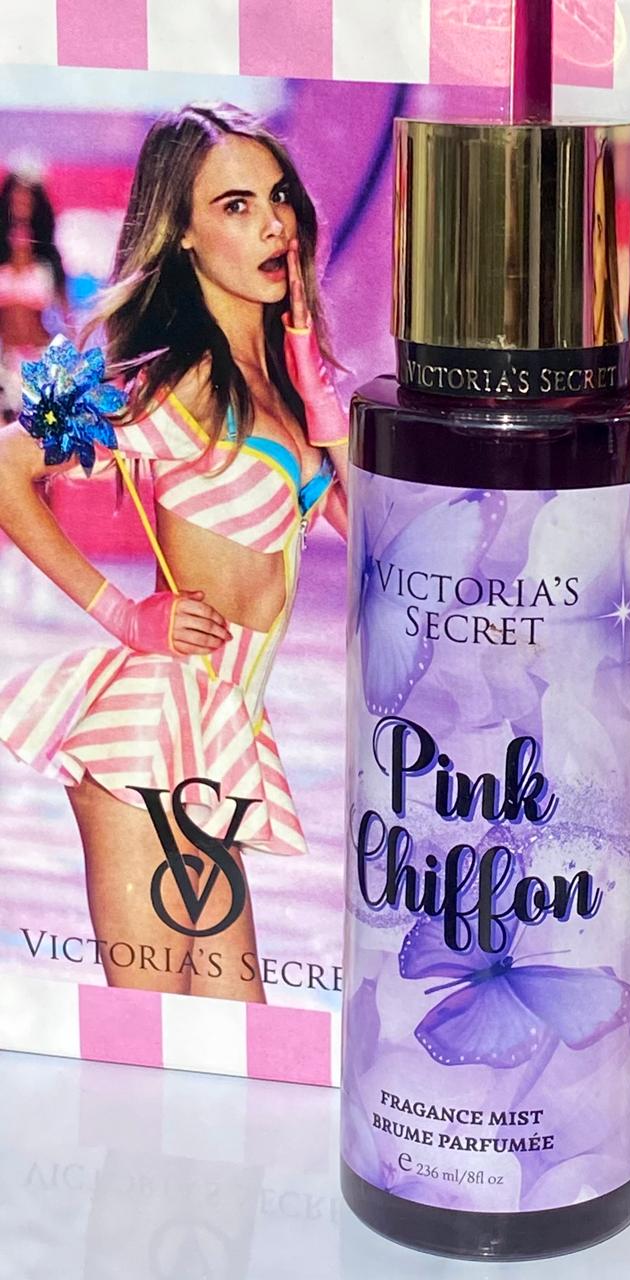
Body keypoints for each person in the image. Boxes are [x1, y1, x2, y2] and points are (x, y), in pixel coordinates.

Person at [0, 103, 349, 1002]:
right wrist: (124, 614)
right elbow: (7, 467)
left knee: (232, 1040)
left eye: (278, 196)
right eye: (235, 205)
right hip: (149, 734)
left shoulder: (279, 386)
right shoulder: (179, 381)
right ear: (183, 233)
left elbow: (379, 533)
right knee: (159, 1043)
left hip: (215, 736)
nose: (272, 224)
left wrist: (312, 378)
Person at [0, 169, 69, 422]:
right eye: (17, 195)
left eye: (28, 196)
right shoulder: (1, 254)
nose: (21, 202)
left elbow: (67, 315)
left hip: (39, 356)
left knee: (37, 428)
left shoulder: (49, 259)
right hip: (4, 358)